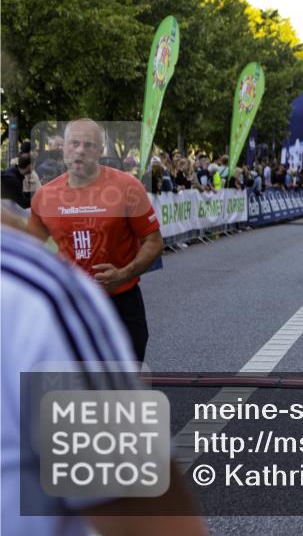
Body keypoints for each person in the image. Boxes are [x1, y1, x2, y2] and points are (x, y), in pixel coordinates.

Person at [1, 223, 207, 536]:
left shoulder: (34, 287)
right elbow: (146, 515)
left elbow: (152, 239)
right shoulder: (37, 289)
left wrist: (126, 272)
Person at [26, 119, 165, 361]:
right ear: (63, 148)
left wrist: (124, 273)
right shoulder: (44, 197)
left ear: (101, 151)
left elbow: (153, 241)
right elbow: (30, 252)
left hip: (120, 302)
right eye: (74, 144)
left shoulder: (127, 187)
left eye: (89, 145)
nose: (80, 150)